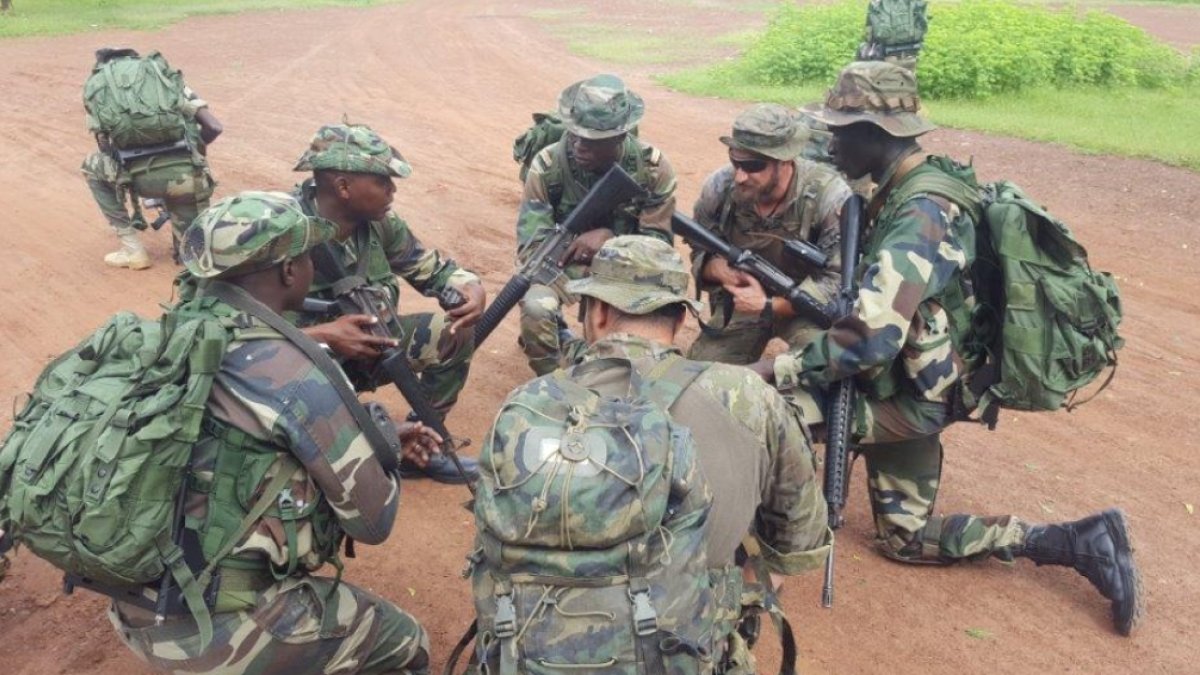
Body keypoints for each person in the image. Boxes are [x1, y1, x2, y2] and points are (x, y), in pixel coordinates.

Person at [751, 61, 1141, 635]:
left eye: (839, 129)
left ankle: (751, 545)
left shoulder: (918, 213)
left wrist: (776, 368)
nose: (831, 140)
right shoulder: (916, 181)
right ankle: (1077, 541)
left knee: (769, 413)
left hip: (912, 396)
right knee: (906, 541)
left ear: (874, 134)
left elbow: (872, 340)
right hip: (924, 378)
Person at [110, 191, 436, 673]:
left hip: (129, 599)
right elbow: (373, 522)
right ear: (289, 271)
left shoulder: (165, 336)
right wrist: (382, 435)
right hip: (210, 630)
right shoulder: (296, 375)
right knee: (408, 643)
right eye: (306, 257)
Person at [471, 236, 829, 671]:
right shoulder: (750, 397)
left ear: (597, 312)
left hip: (529, 653)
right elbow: (797, 542)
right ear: (680, 317)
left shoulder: (528, 403)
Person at [292, 123, 486, 483]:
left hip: (376, 352)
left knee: (450, 333)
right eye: (382, 181)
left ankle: (420, 444)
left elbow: (433, 270)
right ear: (344, 187)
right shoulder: (283, 230)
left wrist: (470, 288)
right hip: (302, 369)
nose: (392, 190)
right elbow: (232, 324)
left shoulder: (378, 225)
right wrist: (323, 336)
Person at [516, 74, 677, 375]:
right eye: (575, 133)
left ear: (621, 137)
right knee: (536, 309)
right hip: (565, 263)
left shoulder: (653, 171)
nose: (578, 145)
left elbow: (658, 250)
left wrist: (610, 241)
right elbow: (532, 247)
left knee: (644, 326)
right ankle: (556, 379)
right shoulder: (548, 166)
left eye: (592, 140)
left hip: (629, 269)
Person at [688, 103, 851, 365]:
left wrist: (769, 306)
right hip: (742, 304)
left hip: (806, 308)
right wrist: (718, 269)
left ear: (785, 160)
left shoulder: (828, 197)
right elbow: (699, 246)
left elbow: (838, 282)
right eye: (734, 161)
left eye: (753, 165)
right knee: (702, 375)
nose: (740, 176)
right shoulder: (720, 188)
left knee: (822, 370)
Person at [83, 47, 221, 269]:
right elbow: (214, 127)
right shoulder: (165, 79)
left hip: (138, 181)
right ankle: (184, 244)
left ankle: (133, 250)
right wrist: (195, 158)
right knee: (193, 256)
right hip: (187, 181)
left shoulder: (99, 88)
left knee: (91, 167)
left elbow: (104, 146)